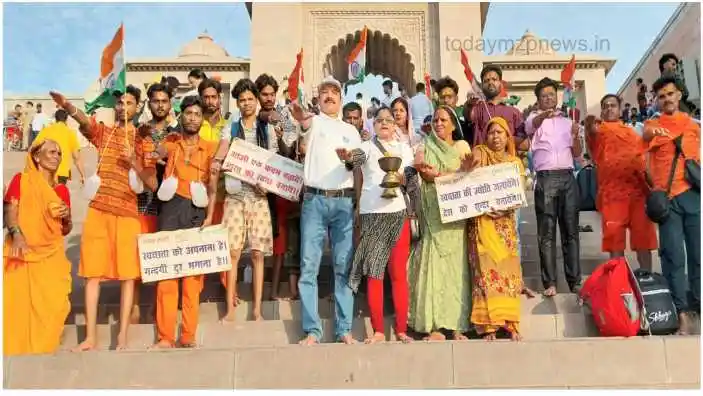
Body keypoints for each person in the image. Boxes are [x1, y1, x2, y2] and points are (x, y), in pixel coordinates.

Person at [49, 86, 158, 351]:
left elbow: (153, 183)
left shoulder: (144, 140)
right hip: (99, 209)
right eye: (120, 103)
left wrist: (135, 162)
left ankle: (121, 336)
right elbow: (86, 122)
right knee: (91, 274)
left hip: (128, 213)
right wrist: (68, 106)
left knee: (128, 275)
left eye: (129, 103)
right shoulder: (105, 134)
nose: (123, 107)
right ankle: (90, 338)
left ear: (137, 107)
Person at [289, 76, 364, 345]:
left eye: (334, 92)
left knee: (343, 268)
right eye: (324, 92)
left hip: (344, 203)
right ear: (318, 99)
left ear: (341, 99)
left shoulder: (351, 131)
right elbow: (304, 122)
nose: (329, 96)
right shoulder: (314, 121)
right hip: (315, 201)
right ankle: (312, 330)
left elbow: (357, 165)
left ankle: (344, 329)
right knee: (309, 267)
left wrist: (348, 160)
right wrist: (302, 118)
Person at [208, 78, 278, 322]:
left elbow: (274, 164)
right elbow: (223, 148)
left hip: (259, 196)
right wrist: (217, 161)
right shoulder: (232, 127)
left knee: (258, 254)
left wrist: (267, 186)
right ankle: (230, 309)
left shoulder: (266, 129)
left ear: (257, 101)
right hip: (236, 195)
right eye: (242, 100)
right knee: (234, 251)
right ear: (237, 103)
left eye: (250, 99)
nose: (247, 103)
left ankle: (257, 309)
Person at [151, 96, 216, 349]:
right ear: (181, 116)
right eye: (188, 113)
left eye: (197, 114)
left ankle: (188, 335)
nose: (192, 118)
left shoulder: (210, 147)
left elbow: (213, 186)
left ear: (203, 119)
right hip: (170, 208)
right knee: (167, 276)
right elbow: (155, 152)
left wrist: (211, 215)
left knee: (192, 279)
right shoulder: (170, 143)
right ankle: (165, 336)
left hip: (196, 210)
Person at [348, 107, 415, 344]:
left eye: (389, 120)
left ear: (396, 125)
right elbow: (351, 161)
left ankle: (401, 329)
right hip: (371, 215)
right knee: (374, 274)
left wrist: (402, 177)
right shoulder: (365, 148)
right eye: (379, 120)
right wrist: (345, 156)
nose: (384, 123)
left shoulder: (404, 149)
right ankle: (377, 330)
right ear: (372, 125)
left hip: (398, 214)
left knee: (398, 275)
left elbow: (411, 177)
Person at [3, 139, 72, 355]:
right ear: (36, 156)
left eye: (59, 153)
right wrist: (17, 234)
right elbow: (10, 210)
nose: (56, 156)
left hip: (51, 256)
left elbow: (65, 229)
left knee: (55, 306)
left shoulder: (62, 190)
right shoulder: (21, 180)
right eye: (51, 152)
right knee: (17, 309)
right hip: (21, 255)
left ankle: (42, 351)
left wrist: (68, 217)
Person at [408, 105, 471, 341]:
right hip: (433, 214)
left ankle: (457, 325)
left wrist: (444, 176)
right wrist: (446, 175)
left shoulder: (462, 146)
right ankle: (434, 325)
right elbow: (423, 171)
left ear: (454, 124)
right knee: (434, 266)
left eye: (444, 120)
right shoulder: (425, 146)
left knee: (456, 269)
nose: (439, 123)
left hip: (456, 216)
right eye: (435, 120)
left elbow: (470, 172)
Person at [644, 76, 701, 334]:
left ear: (679, 95)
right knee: (674, 258)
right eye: (662, 96)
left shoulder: (693, 126)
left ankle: (699, 306)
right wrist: (656, 188)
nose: (666, 99)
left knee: (699, 256)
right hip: (667, 200)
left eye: (670, 94)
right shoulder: (652, 125)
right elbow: (644, 143)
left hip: (692, 196)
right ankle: (682, 314)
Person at [466, 117, 525, 341]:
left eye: (501, 133)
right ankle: (488, 325)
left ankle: (510, 321)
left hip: (504, 224)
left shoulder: (515, 163)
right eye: (492, 132)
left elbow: (518, 196)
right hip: (482, 222)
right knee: (484, 272)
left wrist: (503, 210)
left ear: (507, 136)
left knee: (507, 273)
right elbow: (472, 179)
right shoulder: (481, 152)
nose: (496, 136)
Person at [525, 78, 583, 297]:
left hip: (568, 177)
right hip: (546, 178)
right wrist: (543, 115)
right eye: (544, 96)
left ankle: (575, 281)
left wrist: (576, 136)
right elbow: (532, 125)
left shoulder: (568, 122)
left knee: (571, 232)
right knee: (546, 234)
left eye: (551, 94)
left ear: (557, 96)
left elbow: (577, 153)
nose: (549, 98)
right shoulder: (533, 119)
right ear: (538, 100)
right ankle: (550, 282)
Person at [585, 94, 657, 270]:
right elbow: (591, 134)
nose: (609, 109)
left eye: (613, 105)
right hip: (612, 195)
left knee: (643, 241)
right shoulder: (599, 131)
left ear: (619, 109)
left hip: (638, 193)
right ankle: (618, 283)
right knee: (615, 243)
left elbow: (642, 158)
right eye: (606, 106)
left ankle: (646, 279)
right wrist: (588, 125)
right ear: (602, 111)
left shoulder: (632, 133)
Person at [34, 109, 85, 186]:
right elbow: (76, 157)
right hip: (62, 172)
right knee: (59, 196)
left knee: (46, 196)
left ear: (55, 118)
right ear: (66, 119)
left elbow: (33, 149)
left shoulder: (46, 130)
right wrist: (82, 175)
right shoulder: (70, 133)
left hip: (46, 170)